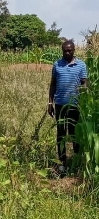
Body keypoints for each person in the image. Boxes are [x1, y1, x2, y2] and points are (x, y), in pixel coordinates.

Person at [47, 40, 88, 174]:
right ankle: (62, 163)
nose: (67, 53)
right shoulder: (57, 65)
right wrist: (50, 103)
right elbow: (53, 84)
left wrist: (84, 101)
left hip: (75, 105)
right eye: (65, 51)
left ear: (74, 50)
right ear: (62, 51)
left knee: (74, 134)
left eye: (70, 50)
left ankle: (76, 162)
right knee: (60, 134)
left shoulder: (81, 65)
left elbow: (84, 84)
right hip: (60, 105)